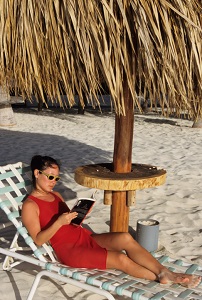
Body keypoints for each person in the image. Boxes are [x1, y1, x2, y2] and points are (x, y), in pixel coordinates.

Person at [22, 155, 201, 288]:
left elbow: (69, 222)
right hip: (71, 251)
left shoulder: (56, 195)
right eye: (50, 177)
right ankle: (162, 278)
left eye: (57, 178)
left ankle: (164, 271)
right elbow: (38, 240)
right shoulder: (30, 205)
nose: (54, 182)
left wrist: (79, 214)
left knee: (124, 237)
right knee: (120, 258)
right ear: (37, 173)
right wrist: (60, 222)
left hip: (85, 237)